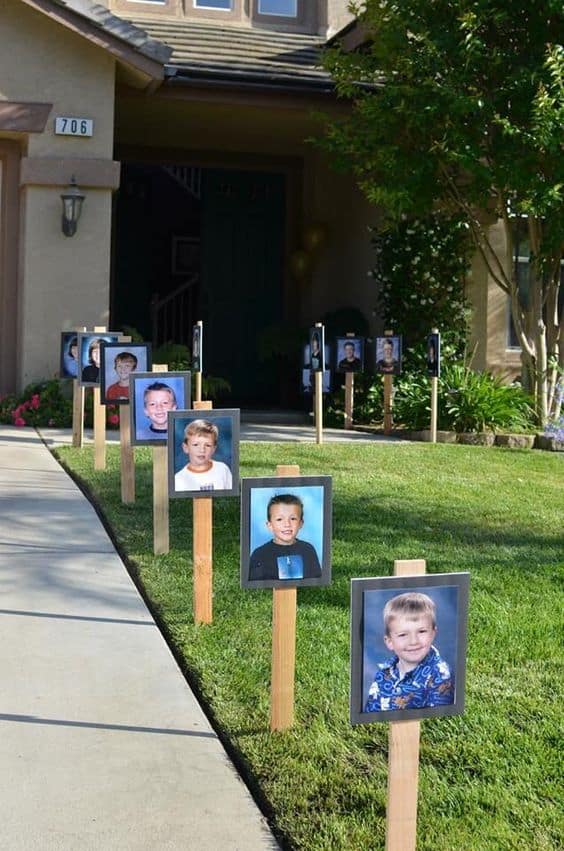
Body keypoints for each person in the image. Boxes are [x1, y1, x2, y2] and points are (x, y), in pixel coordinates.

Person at [365, 592, 454, 712]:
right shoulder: (383, 674)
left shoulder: (440, 676)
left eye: (421, 631)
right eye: (402, 635)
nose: (413, 641)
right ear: (389, 641)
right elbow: (371, 713)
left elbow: (439, 723)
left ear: (433, 633)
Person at [249, 493, 322, 582]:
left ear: (301, 523)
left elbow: (316, 583)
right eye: (279, 519)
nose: (287, 524)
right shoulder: (259, 554)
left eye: (293, 519)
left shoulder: (308, 550)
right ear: (270, 525)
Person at [174, 419, 232, 492]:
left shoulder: (223, 469)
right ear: (186, 448)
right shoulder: (178, 479)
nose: (202, 450)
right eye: (196, 445)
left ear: (214, 449)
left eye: (207, 445)